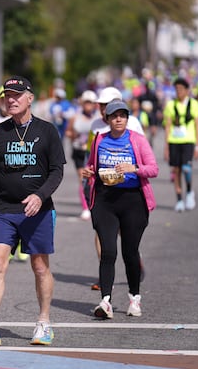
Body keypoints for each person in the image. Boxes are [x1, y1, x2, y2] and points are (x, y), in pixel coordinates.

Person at [0, 76, 65, 347]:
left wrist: (39, 195)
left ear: (30, 98)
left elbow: (57, 171)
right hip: (5, 208)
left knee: (39, 266)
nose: (11, 100)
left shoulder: (47, 131)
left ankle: (44, 322)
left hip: (39, 210)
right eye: (7, 95)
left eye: (16, 95)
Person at [82, 100, 158, 319]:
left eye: (123, 116)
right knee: (108, 251)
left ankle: (135, 298)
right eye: (114, 115)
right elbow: (92, 166)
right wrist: (90, 172)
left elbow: (153, 169)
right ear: (107, 119)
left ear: (127, 119)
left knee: (130, 252)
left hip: (133, 200)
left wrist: (133, 168)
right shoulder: (99, 140)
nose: (118, 119)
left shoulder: (138, 140)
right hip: (105, 200)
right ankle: (105, 301)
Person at [86, 87, 145, 290]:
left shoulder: (134, 124)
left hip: (130, 190)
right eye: (101, 106)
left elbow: (142, 152)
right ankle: (104, 276)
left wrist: (133, 169)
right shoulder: (95, 126)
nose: (102, 109)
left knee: (127, 239)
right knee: (102, 232)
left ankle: (134, 257)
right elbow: (91, 152)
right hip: (103, 188)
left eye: (106, 104)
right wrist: (90, 171)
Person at [162, 78, 198, 212]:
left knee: (186, 168)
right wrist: (166, 146)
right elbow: (167, 126)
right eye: (176, 89)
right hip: (174, 140)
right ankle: (179, 199)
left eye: (181, 89)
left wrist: (197, 145)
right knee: (176, 170)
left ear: (187, 90)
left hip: (188, 140)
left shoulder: (194, 104)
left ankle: (190, 192)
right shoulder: (170, 105)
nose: (178, 92)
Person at [65, 90, 97, 220]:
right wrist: (74, 136)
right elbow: (68, 132)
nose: (88, 105)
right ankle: (85, 208)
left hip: (92, 152)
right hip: (79, 151)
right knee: (82, 178)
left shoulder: (98, 118)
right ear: (82, 103)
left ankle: (94, 204)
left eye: (91, 103)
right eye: (86, 103)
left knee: (93, 179)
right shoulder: (75, 117)